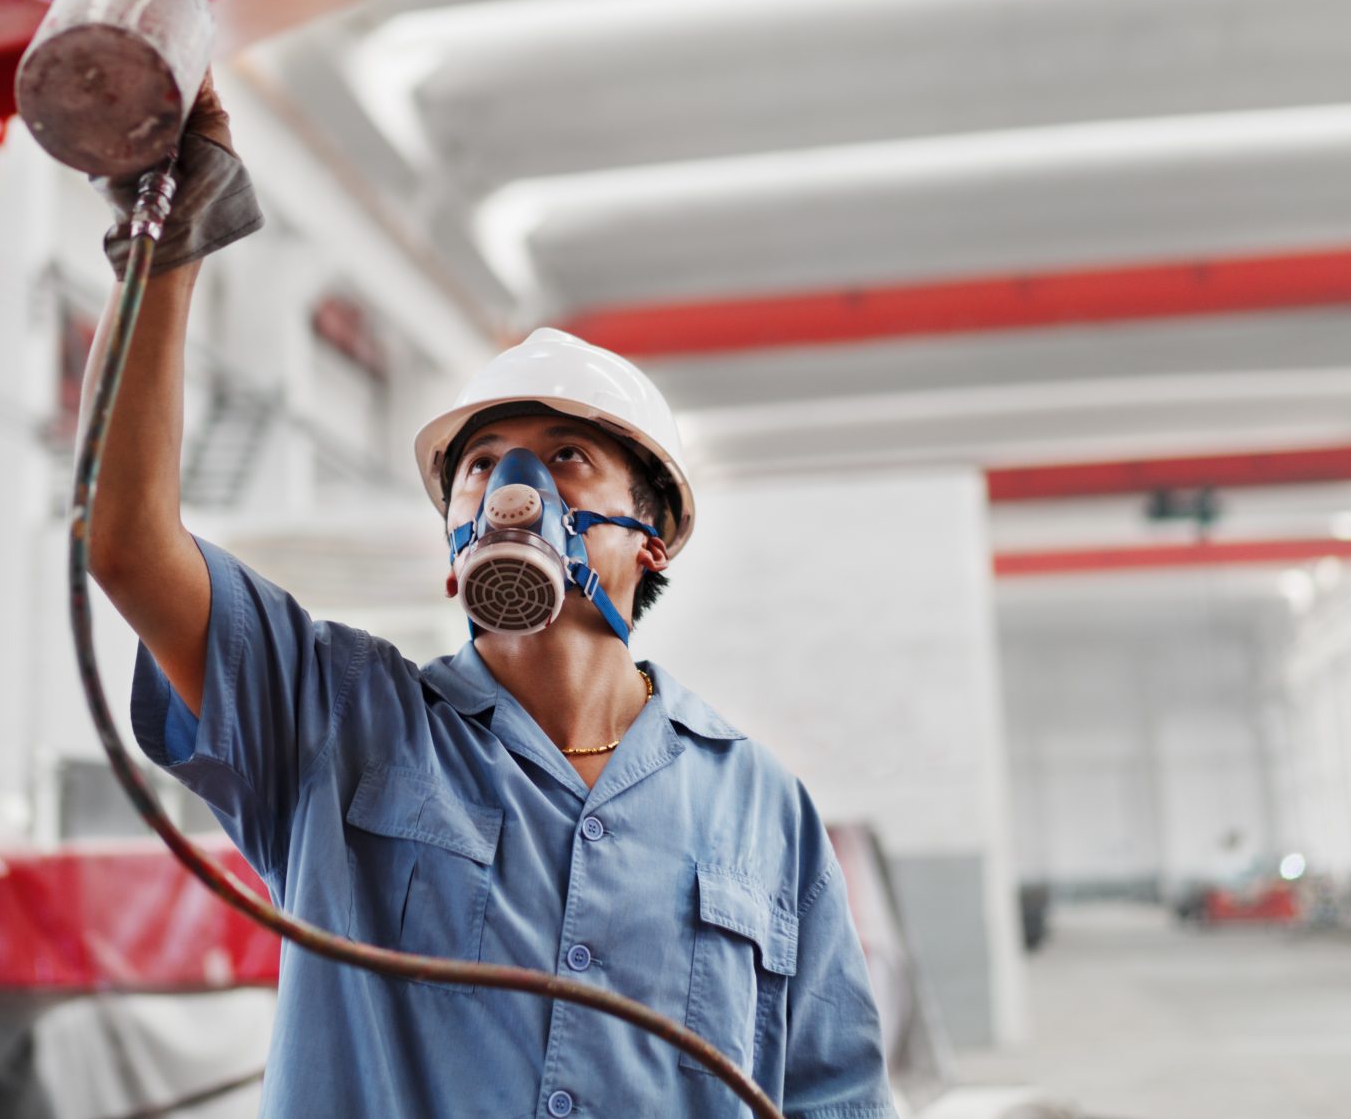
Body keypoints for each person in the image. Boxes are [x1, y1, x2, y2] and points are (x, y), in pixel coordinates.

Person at [83, 86, 892, 1118]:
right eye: (478, 468)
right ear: (451, 553)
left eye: (566, 457)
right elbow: (127, 545)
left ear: (652, 533)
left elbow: (834, 1096)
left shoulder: (759, 808)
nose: (515, 491)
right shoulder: (338, 722)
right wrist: (165, 248)